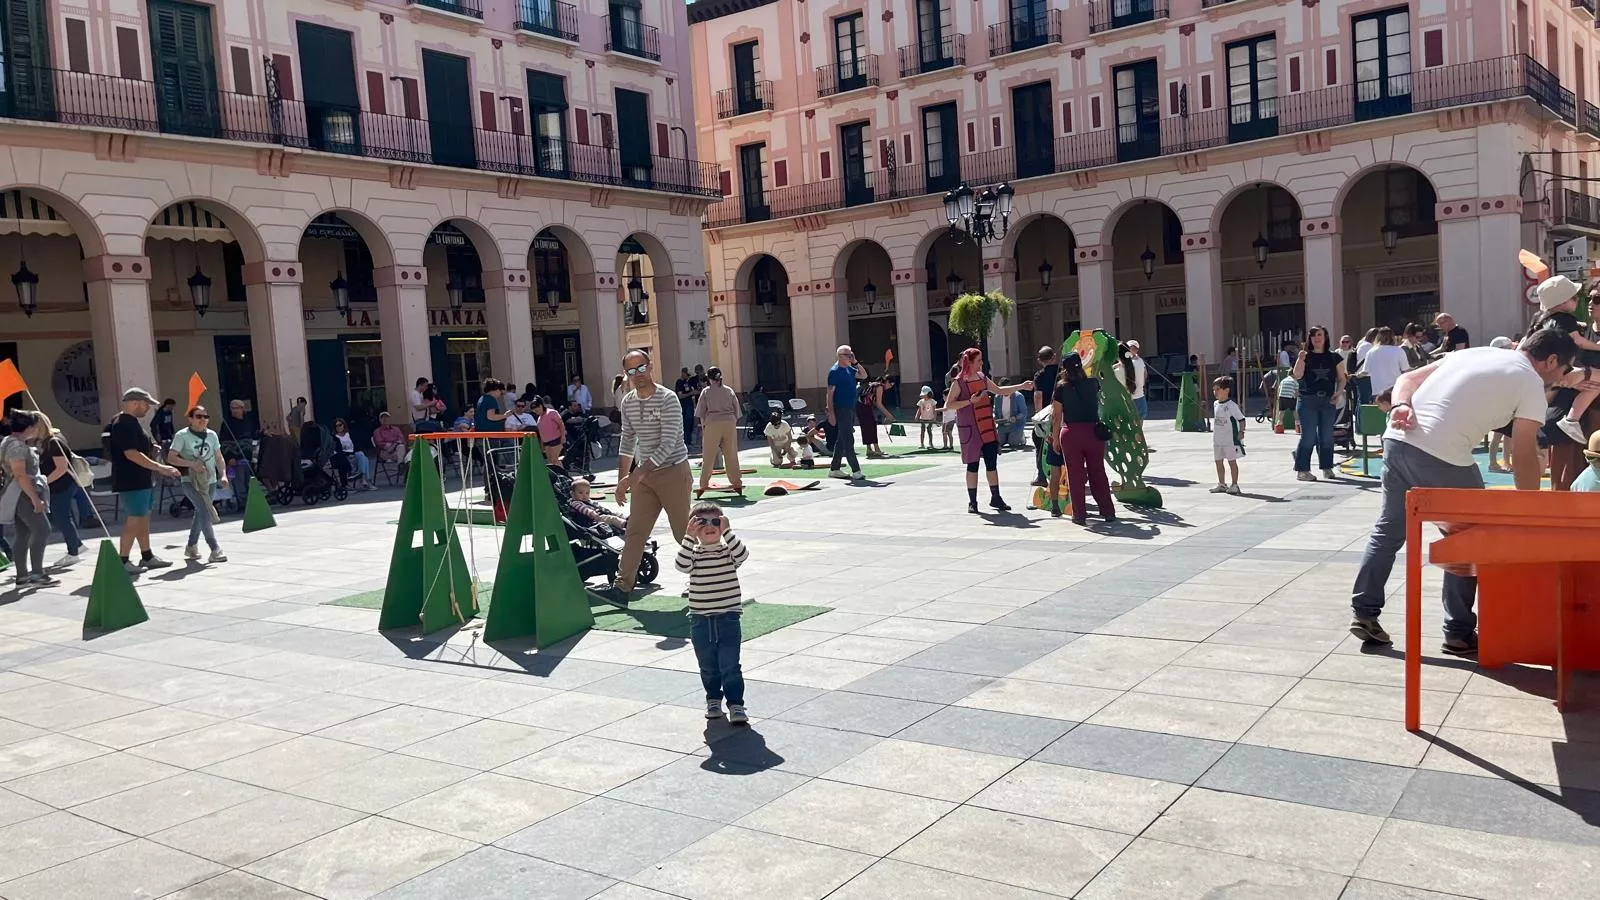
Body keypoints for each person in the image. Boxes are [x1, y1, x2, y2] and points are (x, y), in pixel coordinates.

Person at [1348, 329, 1580, 656]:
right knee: (1472, 537)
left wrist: (1401, 405)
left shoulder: (1477, 352)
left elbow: (1409, 379)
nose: (1560, 377)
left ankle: (1365, 611)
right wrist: (1531, 505)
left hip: (1397, 440)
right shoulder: (1530, 383)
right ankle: (1457, 631)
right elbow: (1525, 451)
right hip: (1442, 453)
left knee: (1388, 530)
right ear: (1551, 360)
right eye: (1563, 369)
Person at [598, 349, 692, 608]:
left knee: (682, 531)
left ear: (650, 367)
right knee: (635, 532)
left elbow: (669, 442)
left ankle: (701, 578)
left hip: (673, 470)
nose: (637, 375)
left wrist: (635, 475)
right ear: (626, 375)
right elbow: (628, 440)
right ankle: (622, 587)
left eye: (641, 368)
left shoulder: (668, 399)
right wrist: (622, 480)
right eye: (631, 371)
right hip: (645, 477)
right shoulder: (628, 402)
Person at [675, 499, 751, 725]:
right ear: (693, 528)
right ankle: (713, 699)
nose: (709, 526)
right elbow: (681, 565)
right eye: (702, 522)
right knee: (707, 665)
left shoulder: (728, 552)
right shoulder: (694, 553)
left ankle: (736, 704)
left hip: (728, 617)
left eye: (715, 522)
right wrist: (688, 538)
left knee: (730, 664)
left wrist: (728, 532)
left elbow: (743, 555)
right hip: (700, 619)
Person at [945, 347, 1033, 513]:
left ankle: (996, 498)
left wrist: (1021, 386)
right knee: (973, 465)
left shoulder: (983, 378)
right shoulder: (959, 382)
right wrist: (970, 402)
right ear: (970, 362)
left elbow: (999, 391)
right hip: (970, 430)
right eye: (979, 360)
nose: (981, 363)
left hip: (986, 426)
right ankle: (973, 502)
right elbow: (949, 405)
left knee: (991, 464)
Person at [108, 389, 179, 573]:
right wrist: (160, 467)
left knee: (143, 518)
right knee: (135, 519)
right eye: (146, 404)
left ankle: (146, 555)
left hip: (141, 478)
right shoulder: (123, 423)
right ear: (134, 402)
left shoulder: (132, 423)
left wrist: (151, 448)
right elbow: (130, 453)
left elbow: (138, 447)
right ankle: (122, 560)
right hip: (131, 479)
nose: (148, 408)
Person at [1529, 276, 1600, 444]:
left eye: (1597, 299)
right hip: (1573, 429)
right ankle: (1570, 420)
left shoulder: (1543, 320)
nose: (1589, 302)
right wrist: (1570, 379)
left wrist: (1584, 374)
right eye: (1588, 297)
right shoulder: (1574, 326)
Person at [1049, 354, 1114, 524]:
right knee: (1098, 472)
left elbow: (1056, 416)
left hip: (1071, 433)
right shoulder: (1093, 383)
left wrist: (1055, 438)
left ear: (1065, 369)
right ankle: (1107, 511)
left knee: (1075, 475)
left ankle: (1079, 514)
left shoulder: (1061, 387)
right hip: (1093, 431)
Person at [1, 411, 57, 587]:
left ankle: (22, 576)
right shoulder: (17, 447)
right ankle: (37, 574)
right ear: (30, 428)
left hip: (16, 493)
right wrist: (34, 498)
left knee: (23, 533)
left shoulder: (8, 442)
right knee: (42, 529)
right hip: (22, 493)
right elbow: (20, 473)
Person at [167, 406, 229, 562]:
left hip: (210, 480)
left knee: (201, 512)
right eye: (198, 416)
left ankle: (191, 546)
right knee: (205, 510)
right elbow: (171, 458)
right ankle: (215, 548)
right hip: (190, 480)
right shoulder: (182, 436)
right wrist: (191, 464)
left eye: (205, 416)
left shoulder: (212, 435)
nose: (203, 419)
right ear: (190, 418)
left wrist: (223, 475)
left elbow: (218, 457)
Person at [1292, 326, 1347, 481]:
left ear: (1325, 337)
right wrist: (1300, 359)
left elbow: (1342, 378)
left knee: (1326, 437)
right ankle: (1302, 470)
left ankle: (1327, 467)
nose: (1316, 338)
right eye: (1313, 335)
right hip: (1307, 400)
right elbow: (1297, 375)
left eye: (1319, 335)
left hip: (1328, 401)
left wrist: (1338, 392)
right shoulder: (1305, 356)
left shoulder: (1335, 357)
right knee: (1308, 436)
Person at [38, 426, 84, 567]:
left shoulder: (54, 442)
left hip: (61, 486)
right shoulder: (47, 441)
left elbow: (61, 468)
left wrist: (44, 482)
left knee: (62, 517)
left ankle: (73, 552)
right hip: (56, 486)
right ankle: (77, 544)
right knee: (54, 517)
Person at [695, 367, 743, 496]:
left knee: (708, 455)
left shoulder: (706, 392)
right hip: (729, 421)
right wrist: (731, 423)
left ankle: (703, 483)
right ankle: (736, 481)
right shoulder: (729, 391)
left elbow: (701, 412)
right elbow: (737, 411)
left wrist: (704, 427)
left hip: (712, 422)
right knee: (731, 453)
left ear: (709, 379)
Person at [825, 345, 867, 481]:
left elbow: (864, 375)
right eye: (847, 355)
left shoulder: (850, 369)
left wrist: (855, 362)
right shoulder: (834, 371)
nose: (850, 357)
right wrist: (831, 413)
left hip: (850, 408)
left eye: (851, 354)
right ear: (840, 356)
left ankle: (834, 468)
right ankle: (856, 470)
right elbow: (829, 394)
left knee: (842, 439)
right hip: (841, 408)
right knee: (849, 439)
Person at [1031, 346, 1061, 488]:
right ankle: (1063, 477)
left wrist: (1038, 417)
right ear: (1054, 356)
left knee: (1040, 445)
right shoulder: (1062, 373)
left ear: (1039, 360)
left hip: (1045, 415)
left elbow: (1038, 396)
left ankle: (1042, 476)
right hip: (1060, 414)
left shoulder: (1039, 375)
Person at [1210, 377, 1245, 495]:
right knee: (1218, 461)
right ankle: (1222, 484)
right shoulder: (1215, 404)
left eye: (1218, 389)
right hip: (1217, 439)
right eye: (1214, 390)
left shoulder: (1232, 405)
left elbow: (1241, 419)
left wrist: (1241, 432)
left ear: (1227, 390)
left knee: (1232, 462)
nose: (1215, 392)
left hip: (1229, 439)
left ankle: (1235, 485)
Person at [1360, 327, 1409, 398]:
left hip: (1377, 391)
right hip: (1395, 389)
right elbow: (1405, 369)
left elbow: (1365, 372)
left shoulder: (1371, 352)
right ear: (1393, 337)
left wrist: (1355, 375)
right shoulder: (1399, 351)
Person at [331, 418, 374, 490]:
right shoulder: (334, 437)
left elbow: (356, 446)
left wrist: (353, 453)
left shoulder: (350, 434)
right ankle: (365, 480)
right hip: (344, 457)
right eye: (336, 426)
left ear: (344, 425)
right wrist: (349, 454)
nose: (338, 427)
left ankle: (363, 478)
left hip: (353, 455)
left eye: (340, 425)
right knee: (364, 459)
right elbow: (338, 450)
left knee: (361, 455)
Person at [992, 378, 1030, 450]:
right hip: (1002, 425)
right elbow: (995, 411)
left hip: (1015, 425)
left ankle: (1021, 437)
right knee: (998, 442)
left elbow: (1023, 412)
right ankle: (1005, 437)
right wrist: (994, 417)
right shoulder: (997, 397)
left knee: (1013, 442)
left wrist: (1016, 418)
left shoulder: (1018, 396)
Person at [857, 378, 891, 459]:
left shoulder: (874, 385)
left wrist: (886, 414)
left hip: (859, 406)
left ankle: (869, 449)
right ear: (887, 382)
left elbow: (874, 401)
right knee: (871, 426)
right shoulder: (879, 387)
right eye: (891, 384)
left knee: (866, 427)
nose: (890, 387)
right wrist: (890, 416)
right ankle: (876, 449)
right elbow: (879, 404)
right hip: (864, 406)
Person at [532, 397, 565, 468]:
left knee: (554, 460)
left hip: (556, 440)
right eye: (533, 409)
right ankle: (559, 476)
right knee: (550, 462)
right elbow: (541, 434)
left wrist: (563, 436)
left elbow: (561, 424)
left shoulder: (552, 412)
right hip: (546, 443)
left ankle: (564, 476)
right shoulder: (539, 419)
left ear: (541, 405)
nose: (535, 410)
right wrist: (542, 445)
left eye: (536, 408)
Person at [1125, 341, 1149, 421]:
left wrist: (1142, 384)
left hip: (1139, 394)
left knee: (1141, 415)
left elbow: (1145, 373)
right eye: (1130, 348)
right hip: (1128, 395)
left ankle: (1139, 432)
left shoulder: (1140, 361)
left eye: (1134, 348)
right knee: (1129, 417)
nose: (1132, 350)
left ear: (1137, 350)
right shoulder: (1124, 361)